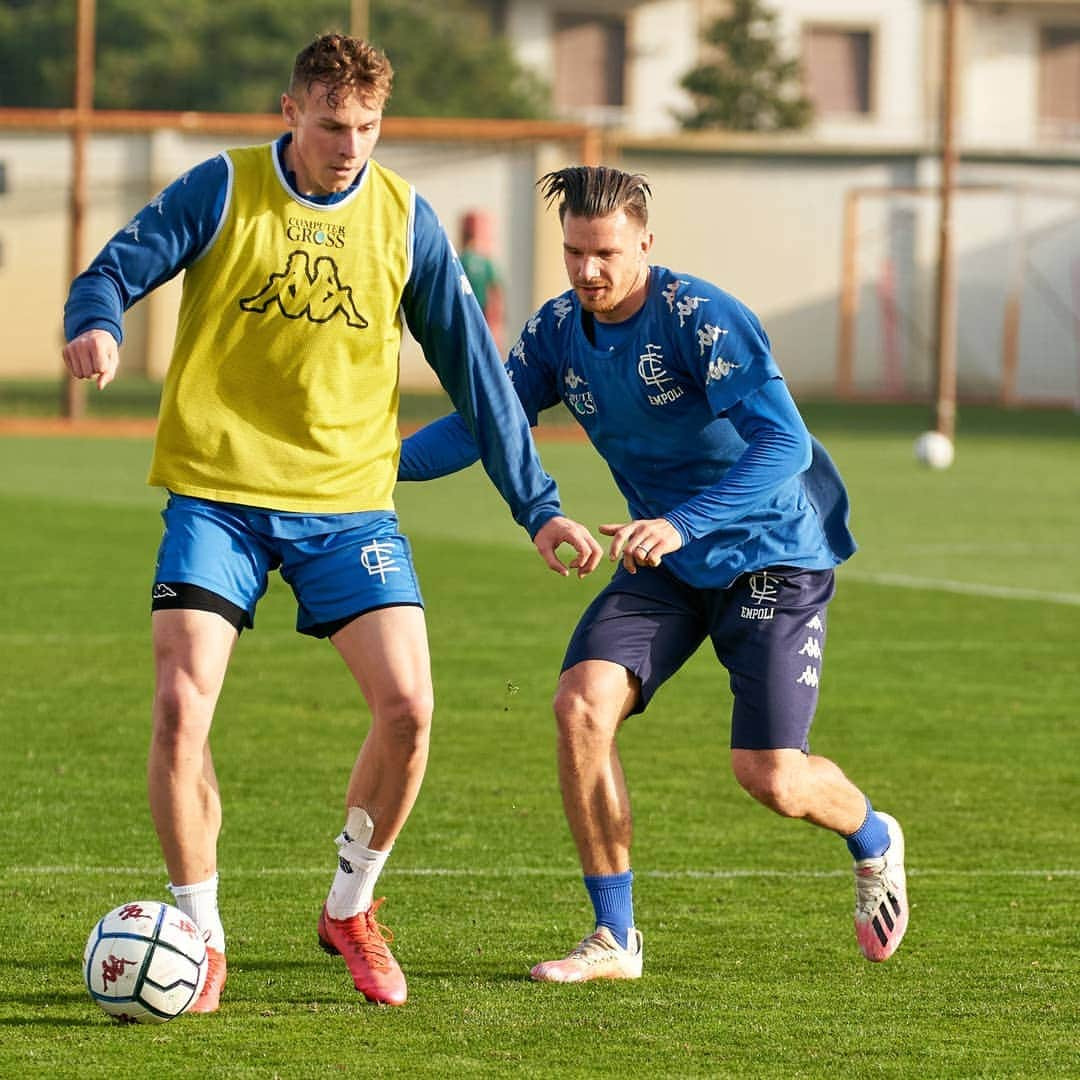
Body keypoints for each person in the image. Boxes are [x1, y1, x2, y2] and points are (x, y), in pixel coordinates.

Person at [61, 35, 601, 1011]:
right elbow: (111, 270)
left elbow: (478, 378)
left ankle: (350, 908)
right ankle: (203, 934)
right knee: (183, 709)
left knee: (410, 708)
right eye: (331, 124)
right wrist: (94, 323)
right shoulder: (219, 190)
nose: (350, 144)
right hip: (217, 490)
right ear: (290, 112)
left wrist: (541, 508)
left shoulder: (403, 219)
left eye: (367, 126)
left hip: (346, 502)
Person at [399, 165, 908, 982]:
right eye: (572, 252)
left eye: (604, 253)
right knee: (579, 705)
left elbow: (785, 446)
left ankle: (874, 837)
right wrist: (373, 466)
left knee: (772, 777)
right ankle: (614, 939)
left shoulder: (700, 319)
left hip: (767, 555)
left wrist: (681, 522)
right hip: (663, 559)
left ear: (645, 243)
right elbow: (484, 425)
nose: (587, 271)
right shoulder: (558, 331)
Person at [458, 210, 504, 347]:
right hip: (483, 323)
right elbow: (496, 295)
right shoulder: (487, 263)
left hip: (464, 323)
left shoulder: (458, 261)